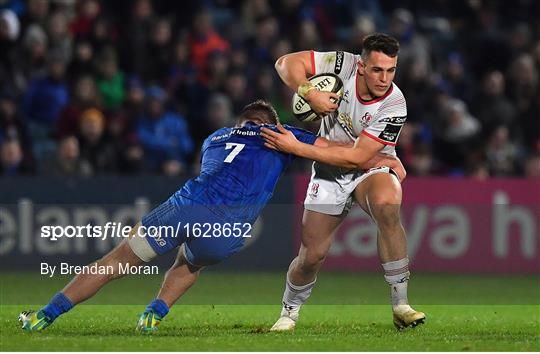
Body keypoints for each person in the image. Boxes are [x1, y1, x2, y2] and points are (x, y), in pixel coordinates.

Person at [19, 100, 405, 333]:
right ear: (270, 123)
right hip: (227, 229)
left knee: (116, 260)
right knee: (190, 263)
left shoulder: (215, 137)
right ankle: (153, 314)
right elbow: (339, 151)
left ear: (241, 122)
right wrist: (385, 157)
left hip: (187, 204)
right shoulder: (285, 135)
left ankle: (44, 316)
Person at [261, 33, 425, 331]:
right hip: (328, 170)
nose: (384, 78)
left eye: (391, 70)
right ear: (361, 66)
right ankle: (289, 311)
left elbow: (356, 158)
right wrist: (309, 92)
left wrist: (295, 147)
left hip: (369, 166)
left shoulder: (394, 105)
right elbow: (285, 63)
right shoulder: (342, 65)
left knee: (387, 203)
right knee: (312, 255)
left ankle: (401, 305)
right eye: (377, 70)